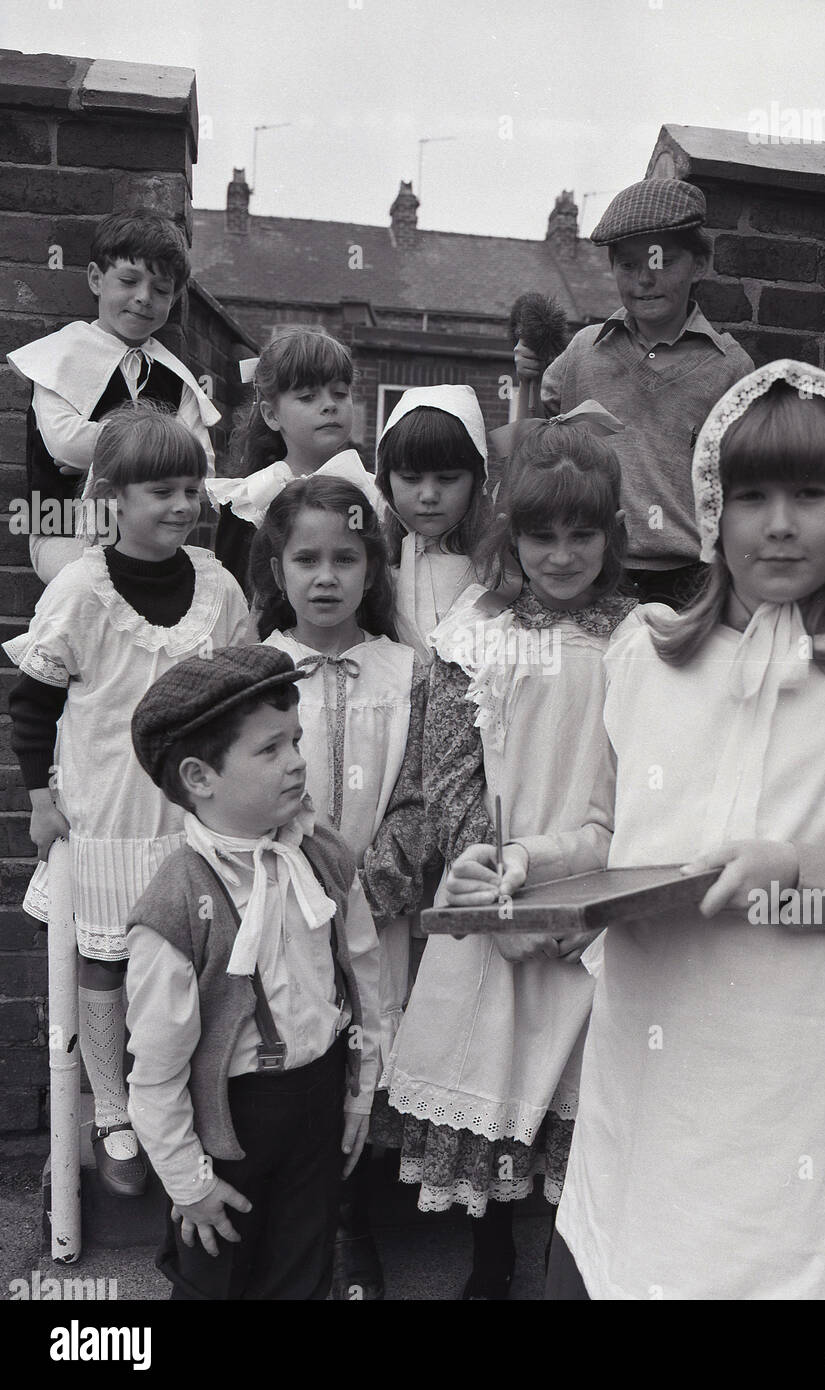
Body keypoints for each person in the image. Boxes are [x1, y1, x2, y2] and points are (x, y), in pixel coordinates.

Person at [446, 361, 825, 1300]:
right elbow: (610, 834)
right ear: (713, 511)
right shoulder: (645, 659)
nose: (779, 523)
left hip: (796, 1093)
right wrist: (525, 868)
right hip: (646, 1085)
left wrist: (800, 877)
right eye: (752, 497)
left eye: (810, 494)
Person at [381, 406, 638, 1299]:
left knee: (583, 1092)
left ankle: (567, 1267)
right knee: (491, 1071)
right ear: (512, 535)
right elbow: (449, 774)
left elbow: (658, 791)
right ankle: (487, 1265)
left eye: (580, 536)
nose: (560, 556)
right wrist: (489, 894)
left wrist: (599, 910)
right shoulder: (475, 632)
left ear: (611, 536)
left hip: (599, 905)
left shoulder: (644, 640)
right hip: (494, 892)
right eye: (540, 537)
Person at [4, 402, 249, 1199]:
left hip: (194, 822)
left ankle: (180, 1101)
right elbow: (32, 706)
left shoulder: (215, 585)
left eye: (191, 488)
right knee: (104, 962)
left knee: (194, 964)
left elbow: (242, 692)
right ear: (110, 497)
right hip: (106, 816)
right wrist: (40, 802)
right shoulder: (80, 590)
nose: (182, 506)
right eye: (160, 492)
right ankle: (113, 1112)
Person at [124, 645, 382, 1300]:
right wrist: (190, 1183)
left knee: (303, 1271)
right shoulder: (178, 903)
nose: (297, 760)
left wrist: (359, 1092)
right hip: (231, 1122)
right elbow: (155, 1072)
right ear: (200, 776)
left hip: (318, 1098)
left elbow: (364, 981)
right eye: (270, 750)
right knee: (217, 1278)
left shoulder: (321, 857)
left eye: (295, 740)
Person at [250, 474, 427, 1299]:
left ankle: (357, 1227)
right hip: (281, 910)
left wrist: (373, 871)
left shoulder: (408, 671)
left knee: (367, 1049)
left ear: (372, 569)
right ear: (276, 568)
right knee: (300, 1051)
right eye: (306, 558)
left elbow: (424, 787)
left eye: (345, 557)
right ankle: (299, 1226)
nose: (326, 576)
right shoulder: (254, 671)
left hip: (374, 905)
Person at [515, 177, 753, 609]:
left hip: (690, 580)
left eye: (662, 261)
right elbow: (533, 442)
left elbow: (746, 484)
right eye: (628, 265)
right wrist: (525, 376)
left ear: (699, 264)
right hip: (591, 573)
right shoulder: (584, 350)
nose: (645, 279)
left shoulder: (729, 367)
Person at [7, 209, 219, 583]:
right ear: (96, 279)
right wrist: (162, 446)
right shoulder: (58, 356)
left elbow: (202, 466)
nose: (143, 297)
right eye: (128, 280)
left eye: (161, 289)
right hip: (63, 526)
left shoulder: (176, 376)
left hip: (150, 534)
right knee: (90, 587)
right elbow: (64, 443)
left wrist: (103, 454)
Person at [209, 327, 379, 591]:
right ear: (271, 416)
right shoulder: (251, 499)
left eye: (340, 393)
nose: (329, 405)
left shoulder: (371, 491)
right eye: (308, 397)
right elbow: (233, 592)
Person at [374, 385, 493, 660]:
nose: (428, 496)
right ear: (385, 480)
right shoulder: (374, 564)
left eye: (448, 478)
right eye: (411, 478)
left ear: (477, 480)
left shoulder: (499, 569)